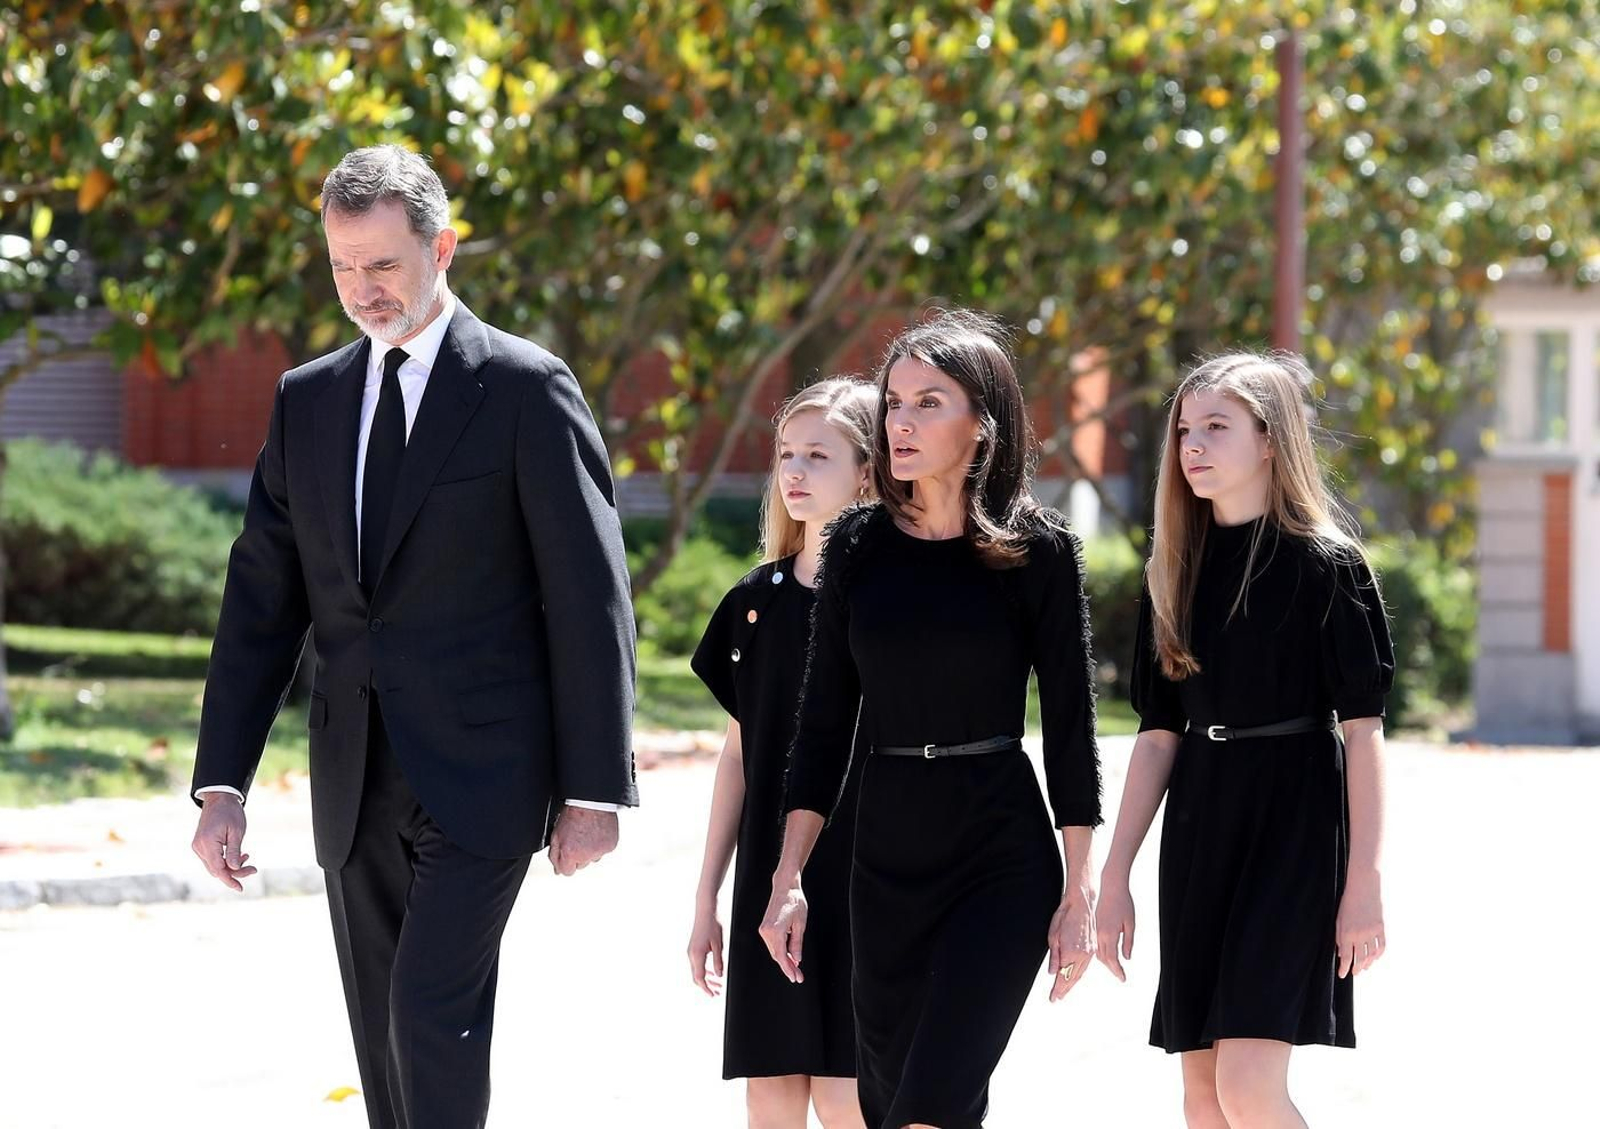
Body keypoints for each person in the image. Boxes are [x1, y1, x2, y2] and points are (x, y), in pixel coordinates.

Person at [186, 145, 637, 1129]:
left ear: (443, 248)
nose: (363, 289)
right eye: (344, 267)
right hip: (354, 776)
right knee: (381, 1030)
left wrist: (595, 786)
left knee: (429, 1012)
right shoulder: (306, 400)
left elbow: (588, 593)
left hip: (487, 774)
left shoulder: (524, 388)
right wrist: (222, 780)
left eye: (382, 265)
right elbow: (262, 597)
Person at [760, 310, 1103, 1129]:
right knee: (894, 1105)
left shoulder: (1038, 551)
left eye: (928, 402)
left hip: (1001, 855)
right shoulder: (856, 547)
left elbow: (1072, 724)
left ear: (982, 426)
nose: (900, 422)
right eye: (894, 402)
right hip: (885, 856)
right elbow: (822, 724)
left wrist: (1080, 887)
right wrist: (787, 875)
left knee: (931, 1103)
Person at [1094, 352, 1394, 1129]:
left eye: (1216, 427)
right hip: (1200, 825)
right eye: (1185, 430)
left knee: (1248, 1088)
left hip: (1293, 824)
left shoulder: (1328, 567)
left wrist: (1363, 879)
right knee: (1201, 1097)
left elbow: (1363, 734)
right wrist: (1115, 872)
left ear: (1270, 439)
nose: (1192, 445)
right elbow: (1158, 737)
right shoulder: (1174, 571)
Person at [688, 377, 877, 1128]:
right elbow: (738, 756)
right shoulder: (752, 602)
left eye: (818, 455)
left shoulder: (891, 607)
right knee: (770, 1095)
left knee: (846, 1095)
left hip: (865, 872)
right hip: (770, 878)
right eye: (786, 453)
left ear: (867, 471)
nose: (793, 471)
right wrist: (707, 897)